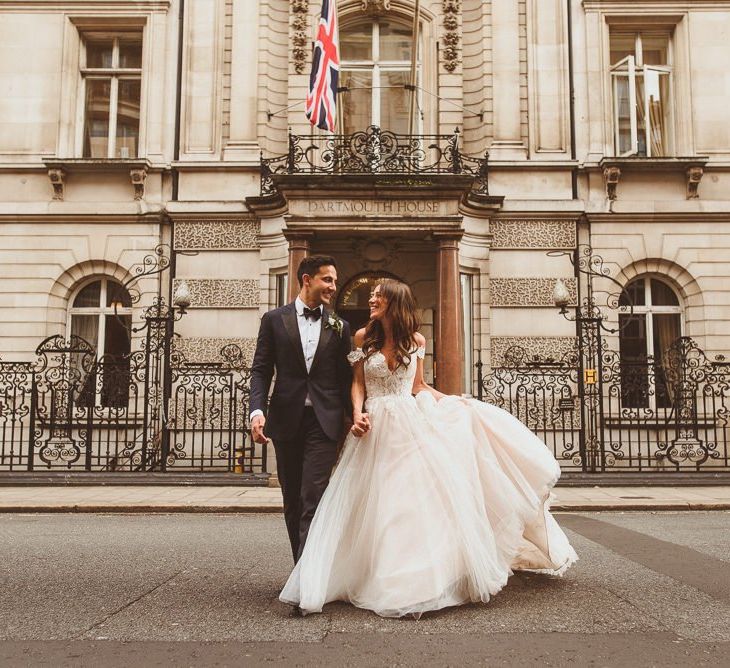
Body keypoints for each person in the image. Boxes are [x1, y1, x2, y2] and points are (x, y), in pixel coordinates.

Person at [280, 278, 577, 618]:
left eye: (378, 296)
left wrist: (453, 401)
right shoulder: (363, 337)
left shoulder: (417, 341)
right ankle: (364, 572)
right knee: (367, 500)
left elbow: (419, 385)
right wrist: (358, 413)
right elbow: (358, 384)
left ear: (394, 301)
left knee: (408, 502)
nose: (372, 300)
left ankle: (411, 576)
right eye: (372, 296)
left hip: (408, 424)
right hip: (374, 425)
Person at [249, 256, 353, 567]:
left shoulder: (340, 325)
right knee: (292, 499)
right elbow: (261, 370)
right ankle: (301, 568)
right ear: (306, 279)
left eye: (334, 281)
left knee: (313, 497)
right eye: (328, 280)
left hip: (324, 424)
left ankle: (307, 578)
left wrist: (352, 418)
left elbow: (346, 378)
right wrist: (257, 411)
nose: (333, 287)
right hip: (286, 422)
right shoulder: (273, 320)